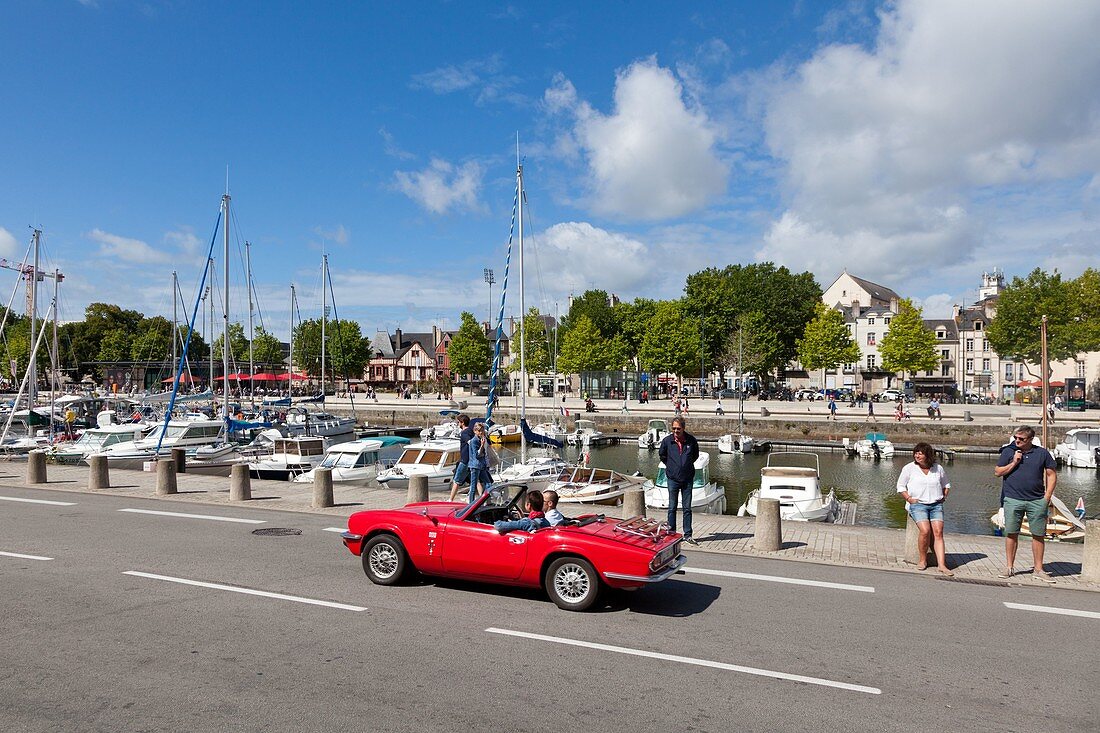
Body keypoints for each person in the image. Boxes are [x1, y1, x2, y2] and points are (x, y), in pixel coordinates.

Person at [994, 426, 1057, 582]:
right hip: (1013, 499)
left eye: (1021, 439)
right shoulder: (1008, 452)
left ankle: (1038, 569)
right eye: (1016, 438)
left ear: (1030, 439)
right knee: (1011, 534)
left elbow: (1051, 474)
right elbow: (998, 472)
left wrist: (1047, 496)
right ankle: (1009, 567)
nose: (1017, 441)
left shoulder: (1042, 453)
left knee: (1038, 535)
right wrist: (1014, 462)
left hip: (1036, 500)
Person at [897, 443, 954, 576]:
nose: (917, 455)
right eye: (916, 453)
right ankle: (922, 560)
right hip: (918, 504)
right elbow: (900, 486)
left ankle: (942, 565)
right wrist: (909, 499)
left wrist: (944, 496)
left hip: (935, 504)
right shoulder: (909, 468)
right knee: (925, 530)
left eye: (920, 453)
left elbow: (946, 484)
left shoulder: (937, 468)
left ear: (928, 455)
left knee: (938, 532)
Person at [658, 416, 700, 545]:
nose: (676, 431)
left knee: (687, 508)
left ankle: (688, 534)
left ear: (683, 428)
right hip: (673, 479)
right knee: (672, 507)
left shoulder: (691, 441)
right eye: (674, 428)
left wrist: (685, 465)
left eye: (679, 428)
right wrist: (672, 467)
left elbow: (695, 455)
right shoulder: (667, 441)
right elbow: (662, 455)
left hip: (687, 479)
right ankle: (671, 533)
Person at [447, 414, 473, 502]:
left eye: (459, 422)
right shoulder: (471, 431)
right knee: (476, 481)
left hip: (465, 460)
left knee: (457, 480)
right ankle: (478, 498)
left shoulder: (464, 433)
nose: (458, 424)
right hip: (472, 460)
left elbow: (470, 442)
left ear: (462, 423)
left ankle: (450, 499)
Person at [466, 422, 494, 502]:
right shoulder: (474, 441)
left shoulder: (482, 439)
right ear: (475, 431)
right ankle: (471, 503)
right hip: (475, 466)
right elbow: (477, 455)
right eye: (479, 431)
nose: (481, 432)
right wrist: (482, 445)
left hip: (481, 465)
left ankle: (485, 501)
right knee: (473, 486)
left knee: (489, 484)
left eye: (482, 430)